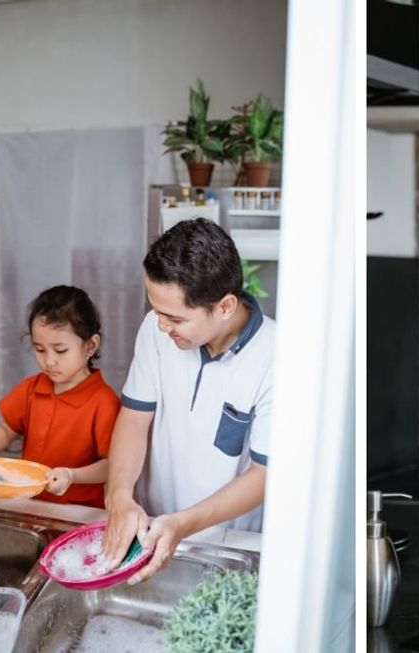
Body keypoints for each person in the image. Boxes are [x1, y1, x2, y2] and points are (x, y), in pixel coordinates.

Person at [101, 217, 274, 584]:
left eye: (174, 317)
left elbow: (264, 475)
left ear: (225, 306)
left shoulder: (276, 357)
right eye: (156, 309)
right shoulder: (156, 330)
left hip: (227, 547)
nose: (161, 325)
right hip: (149, 531)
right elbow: (133, 418)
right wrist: (119, 496)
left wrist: (183, 524)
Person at [0, 285, 120, 508]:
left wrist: (71, 476)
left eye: (60, 351)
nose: (49, 361)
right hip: (31, 503)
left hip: (79, 512)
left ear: (90, 346)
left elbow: (112, 465)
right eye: (40, 350)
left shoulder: (104, 402)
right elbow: (6, 430)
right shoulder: (33, 388)